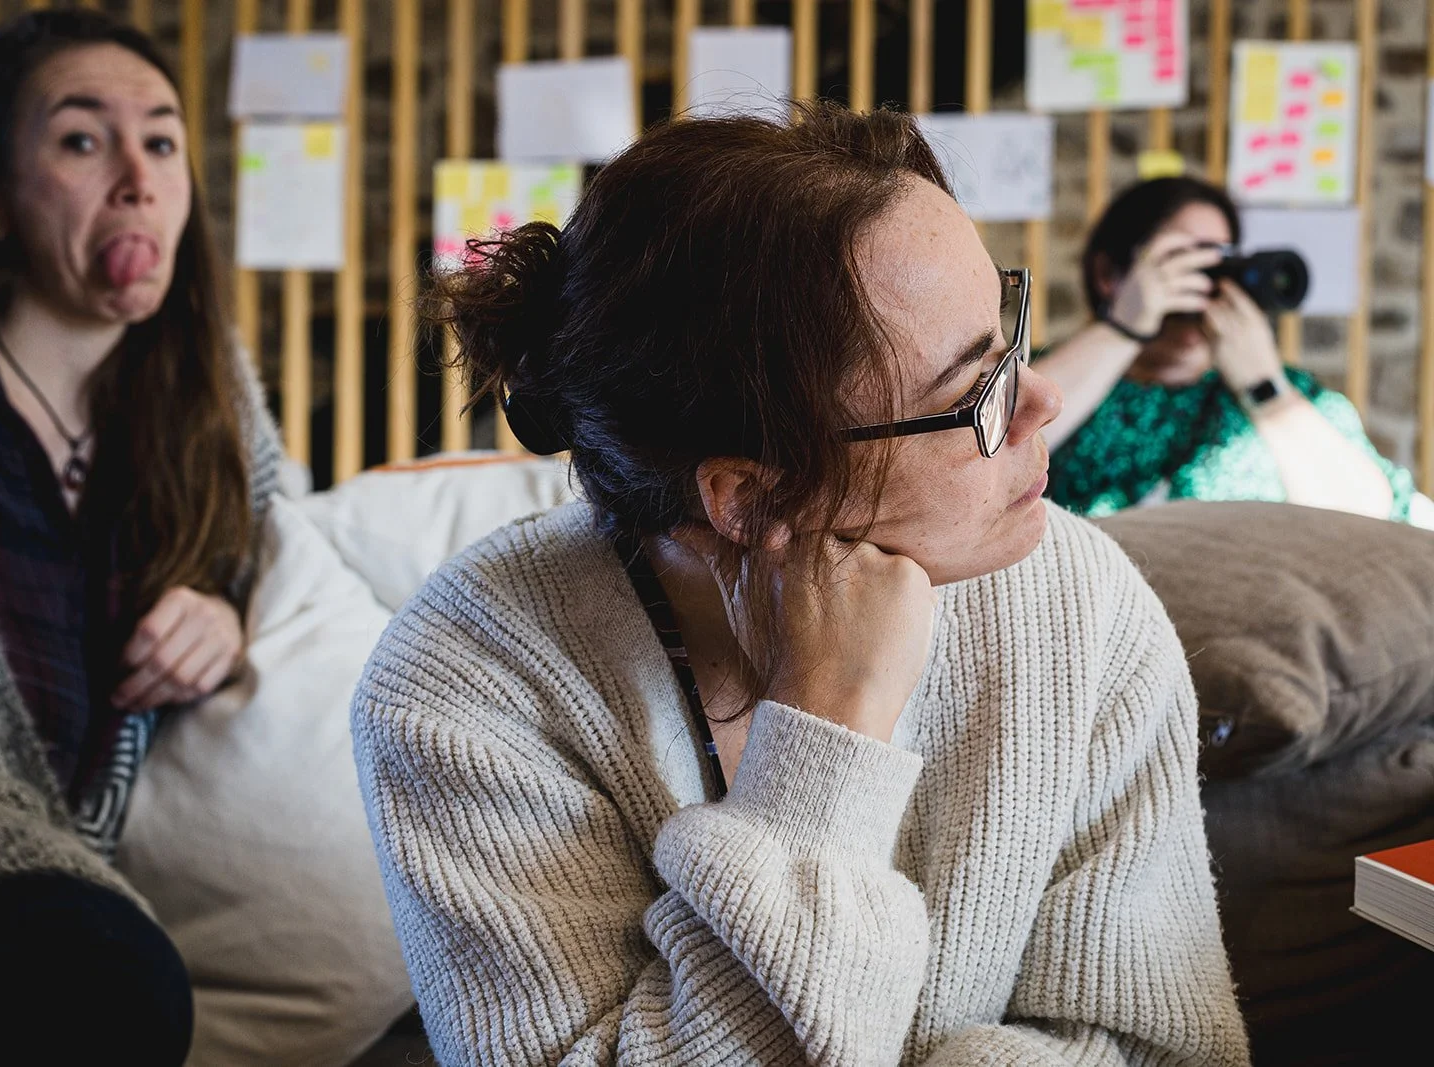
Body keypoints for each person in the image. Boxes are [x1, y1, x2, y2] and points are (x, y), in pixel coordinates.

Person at [353, 106, 1250, 1065]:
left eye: (1008, 333)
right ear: (747, 493)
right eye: (970, 391)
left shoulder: (1079, 603)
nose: (1041, 400)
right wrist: (827, 736)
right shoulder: (463, 689)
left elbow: (1158, 1046)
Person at [0, 11, 281, 1064]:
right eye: (83, 139)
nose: (137, 177)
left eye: (162, 141)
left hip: (27, 895)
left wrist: (220, 611)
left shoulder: (217, 410)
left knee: (104, 973)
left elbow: (275, 557)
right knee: (118, 980)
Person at [1038, 176, 1416, 520]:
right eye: (1183, 258)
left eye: (1219, 259)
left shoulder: (1290, 390)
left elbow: (1371, 517)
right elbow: (997, 442)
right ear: (1109, 274)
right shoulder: (1044, 376)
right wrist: (1123, 328)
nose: (1205, 281)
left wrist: (1264, 385)